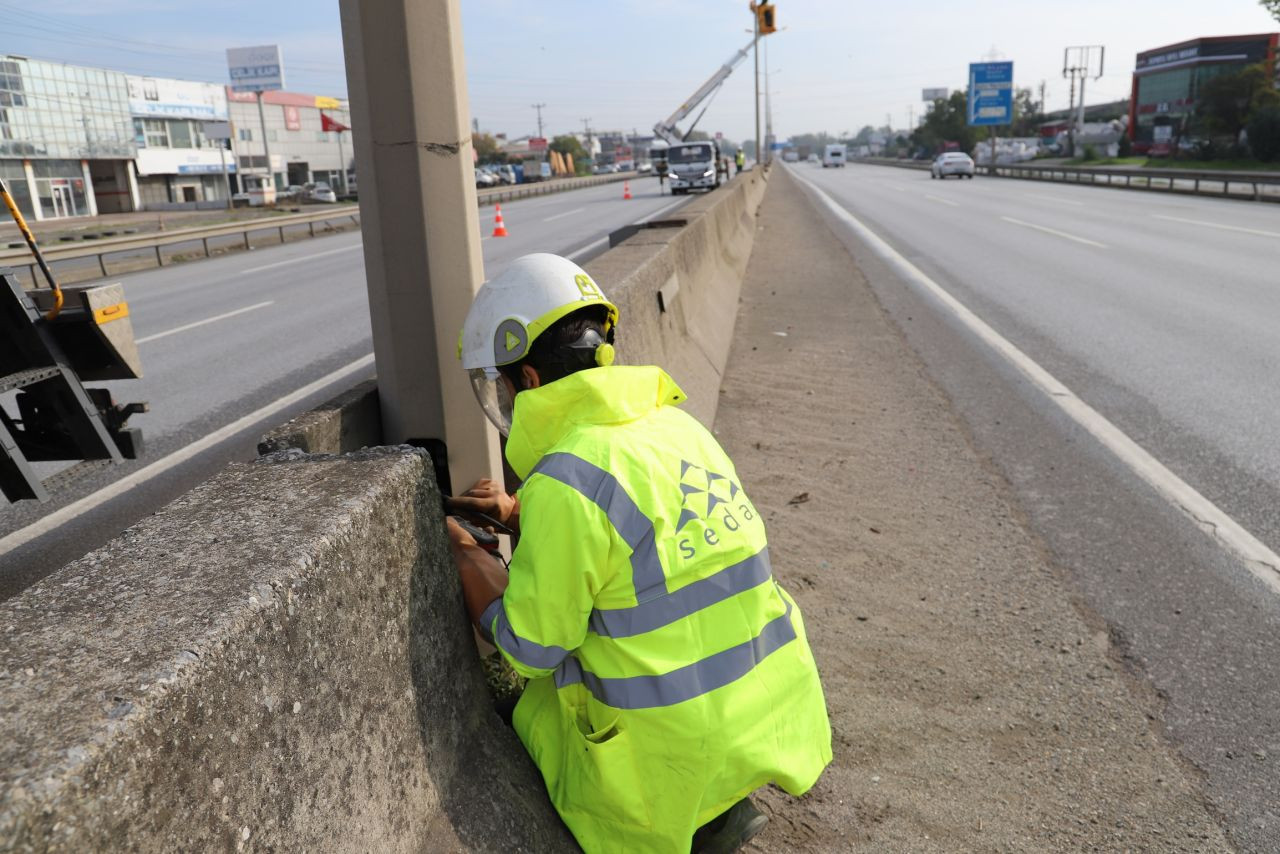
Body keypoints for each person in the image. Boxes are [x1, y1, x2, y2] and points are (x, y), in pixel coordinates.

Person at [448, 253, 831, 853]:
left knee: (528, 708)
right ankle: (720, 810)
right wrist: (523, 513)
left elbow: (529, 648)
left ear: (527, 381)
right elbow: (646, 535)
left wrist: (467, 553)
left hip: (658, 763)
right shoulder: (681, 430)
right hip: (760, 718)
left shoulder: (566, 482)